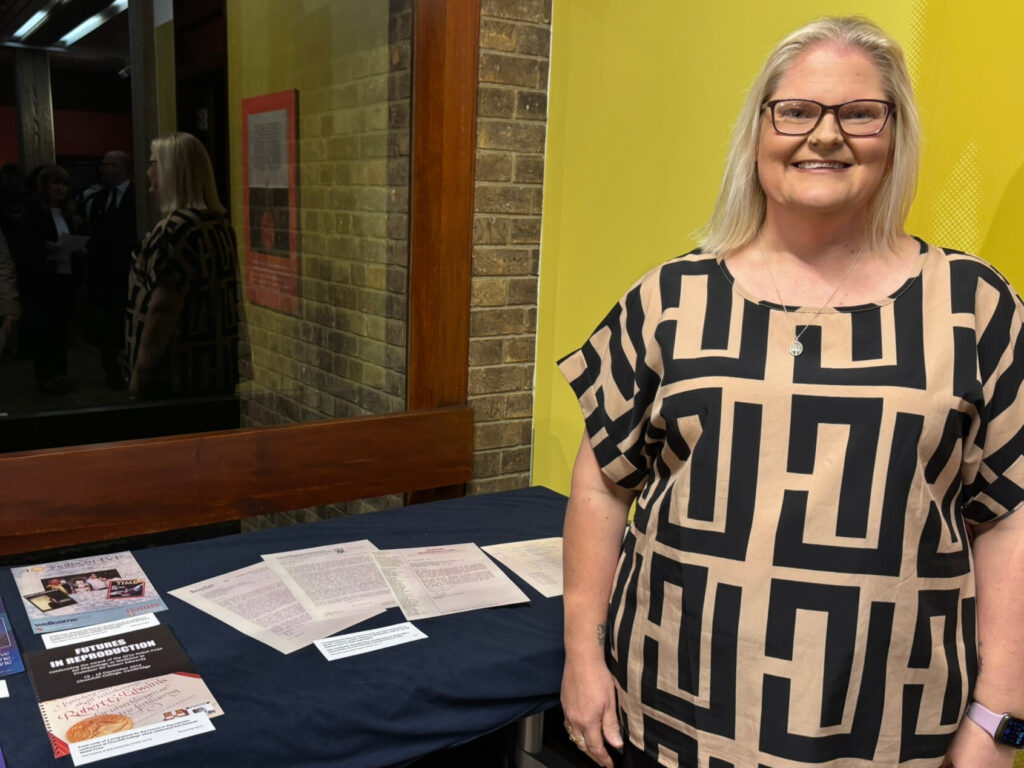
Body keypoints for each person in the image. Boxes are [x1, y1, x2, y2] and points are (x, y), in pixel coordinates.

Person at [557, 16, 1024, 768]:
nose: (826, 136)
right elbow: (601, 483)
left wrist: (999, 720)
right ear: (759, 131)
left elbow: (1010, 519)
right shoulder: (671, 299)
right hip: (673, 723)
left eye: (860, 114)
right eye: (798, 110)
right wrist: (582, 657)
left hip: (893, 734)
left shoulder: (974, 307)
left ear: (895, 135)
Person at [125, 132, 240, 399]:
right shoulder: (217, 223)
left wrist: (139, 373)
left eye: (152, 164)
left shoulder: (175, 231)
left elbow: (162, 310)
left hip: (175, 377)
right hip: (213, 373)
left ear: (170, 170)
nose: (146, 173)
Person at [18, 165, 82, 394]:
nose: (61, 188)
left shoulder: (66, 212)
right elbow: (25, 246)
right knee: (45, 330)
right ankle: (46, 377)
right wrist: (45, 249)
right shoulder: (34, 211)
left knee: (62, 328)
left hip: (64, 278)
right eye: (56, 183)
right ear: (45, 186)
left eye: (64, 184)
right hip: (43, 281)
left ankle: (60, 375)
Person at [86, 150, 137, 388]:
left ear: (122, 168)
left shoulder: (138, 198)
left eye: (109, 165)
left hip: (127, 271)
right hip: (104, 274)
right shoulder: (98, 199)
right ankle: (111, 372)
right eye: (103, 165)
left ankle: (130, 368)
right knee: (107, 325)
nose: (103, 169)